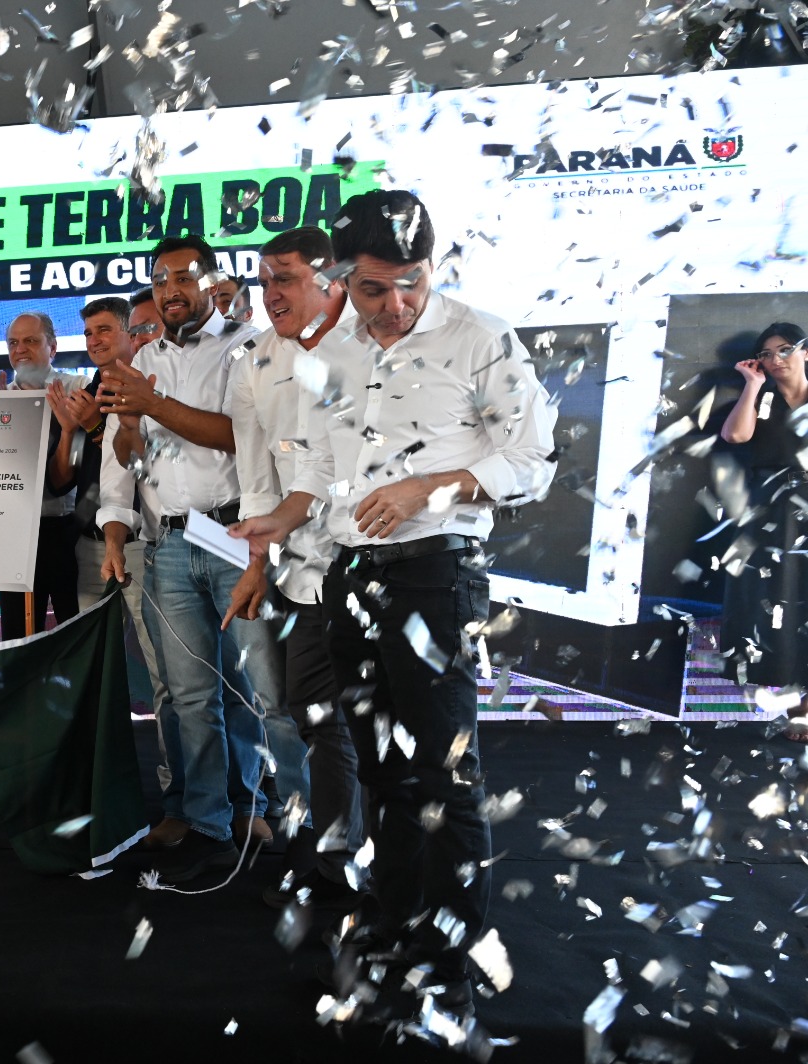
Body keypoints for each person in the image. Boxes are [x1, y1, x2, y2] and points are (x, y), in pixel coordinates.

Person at [230, 189, 557, 1019]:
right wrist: (280, 520)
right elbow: (317, 467)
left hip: (436, 575)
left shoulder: (479, 337)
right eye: (373, 288)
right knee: (379, 765)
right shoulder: (332, 354)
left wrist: (430, 486)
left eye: (411, 283)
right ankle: (398, 920)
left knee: (442, 771)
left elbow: (533, 458)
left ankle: (449, 958)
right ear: (343, 277)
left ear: (432, 267)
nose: (396, 305)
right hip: (349, 576)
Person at [95, 234, 296, 881]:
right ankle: (206, 818)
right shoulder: (141, 360)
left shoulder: (248, 349)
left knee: (259, 689)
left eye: (184, 278)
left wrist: (152, 405)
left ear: (212, 283)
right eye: (160, 280)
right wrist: (131, 424)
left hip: (237, 533)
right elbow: (126, 458)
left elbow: (241, 439)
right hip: (172, 542)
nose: (170, 291)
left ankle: (274, 811)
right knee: (188, 695)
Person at [222, 228, 364, 910]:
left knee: (375, 724)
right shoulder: (255, 361)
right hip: (303, 571)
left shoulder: (370, 347)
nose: (270, 294)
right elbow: (259, 481)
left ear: (330, 279)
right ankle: (334, 860)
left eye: (284, 278)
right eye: (263, 281)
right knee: (316, 718)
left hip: (380, 564)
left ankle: (364, 863)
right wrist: (258, 562)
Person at [52, 296, 167, 715]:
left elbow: (143, 469)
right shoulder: (82, 394)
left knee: (162, 665)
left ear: (130, 334)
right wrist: (70, 431)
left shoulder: (151, 387)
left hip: (143, 544)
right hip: (90, 545)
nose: (94, 340)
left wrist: (96, 426)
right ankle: (105, 753)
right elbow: (61, 481)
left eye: (104, 330)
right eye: (88, 333)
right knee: (95, 666)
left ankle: (172, 752)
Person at [718, 322, 808, 693]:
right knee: (772, 593)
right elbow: (735, 435)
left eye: (785, 349)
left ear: (805, 352)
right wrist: (752, 384)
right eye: (766, 354)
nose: (776, 359)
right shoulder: (761, 396)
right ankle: (779, 682)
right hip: (770, 508)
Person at [0, 311, 85, 640]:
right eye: (13, 343)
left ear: (53, 347)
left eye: (31, 341)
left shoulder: (77, 389)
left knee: (75, 635)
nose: (20, 349)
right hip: (14, 535)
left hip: (69, 533)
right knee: (18, 640)